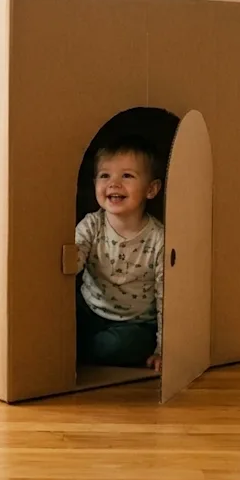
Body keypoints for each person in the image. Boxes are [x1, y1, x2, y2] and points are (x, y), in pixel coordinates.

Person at [74, 133, 166, 372]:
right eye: (105, 175)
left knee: (119, 345)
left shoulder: (159, 239)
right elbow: (73, 257)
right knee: (58, 322)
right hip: (89, 309)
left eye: (127, 176)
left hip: (134, 323)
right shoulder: (91, 225)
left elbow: (166, 296)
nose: (113, 184)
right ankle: (75, 345)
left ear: (151, 189)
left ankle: (81, 349)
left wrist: (163, 348)